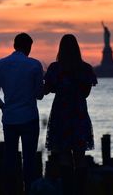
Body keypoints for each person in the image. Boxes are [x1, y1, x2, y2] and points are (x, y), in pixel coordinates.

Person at [0, 33, 44, 195]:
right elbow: (39, 94)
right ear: (29, 47)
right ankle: (30, 190)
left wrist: (4, 107)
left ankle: (10, 190)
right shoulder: (34, 65)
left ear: (14, 46)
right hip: (30, 117)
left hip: (10, 118)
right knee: (30, 160)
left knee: (10, 160)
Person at [44, 34, 97, 195]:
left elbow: (47, 89)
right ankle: (80, 190)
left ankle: (68, 191)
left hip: (61, 114)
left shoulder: (55, 68)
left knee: (64, 155)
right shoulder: (85, 69)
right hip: (79, 114)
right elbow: (86, 93)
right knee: (80, 156)